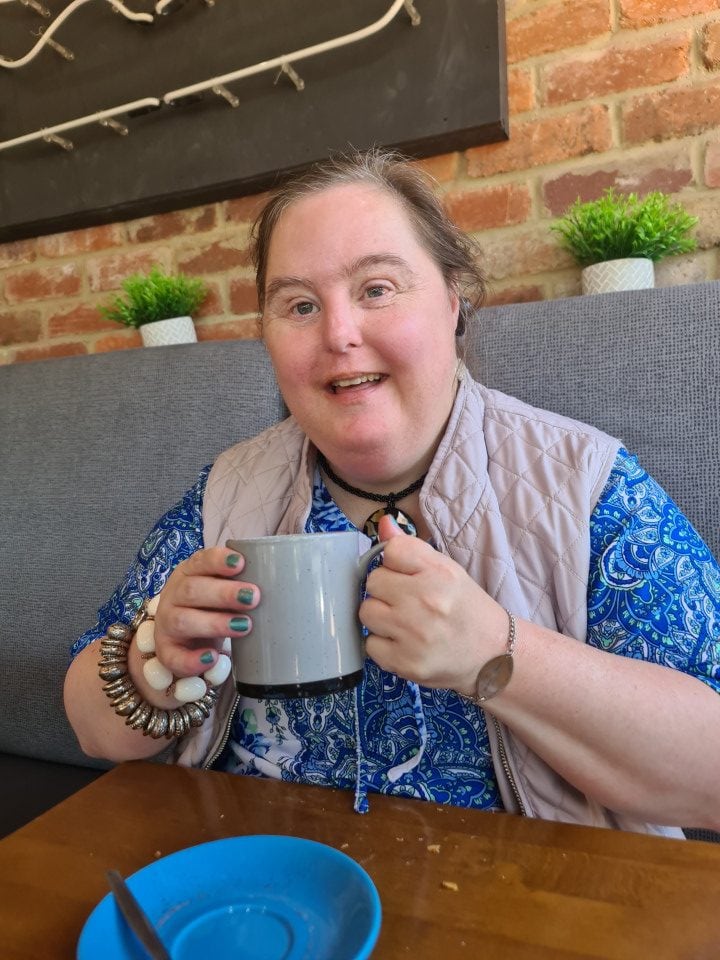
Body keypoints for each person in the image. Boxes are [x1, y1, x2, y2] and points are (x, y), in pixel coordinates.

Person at [64, 149, 720, 835]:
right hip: (268, 890)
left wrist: (497, 652)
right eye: (299, 305)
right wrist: (156, 662)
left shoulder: (581, 482)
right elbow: (89, 725)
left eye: (377, 288)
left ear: (451, 299)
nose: (339, 334)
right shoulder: (229, 491)